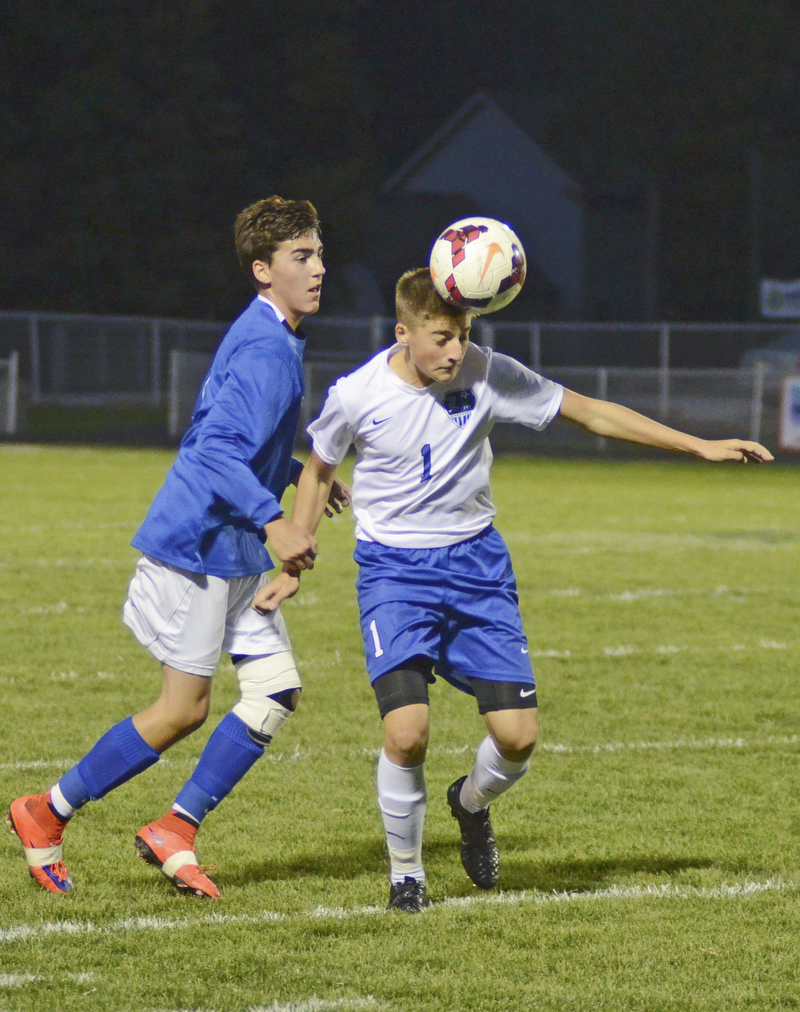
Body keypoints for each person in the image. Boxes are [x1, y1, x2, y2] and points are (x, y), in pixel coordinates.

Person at [254, 267, 773, 913]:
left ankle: (469, 804)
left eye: (463, 334)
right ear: (403, 332)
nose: (454, 350)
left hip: (477, 570)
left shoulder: (487, 371)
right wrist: (292, 561)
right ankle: (407, 875)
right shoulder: (356, 394)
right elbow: (319, 469)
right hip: (395, 573)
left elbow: (591, 412)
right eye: (441, 337)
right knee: (407, 733)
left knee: (518, 738)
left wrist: (696, 445)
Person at [7, 195, 349, 898]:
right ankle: (44, 812)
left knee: (274, 689)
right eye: (301, 257)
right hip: (196, 547)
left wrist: (286, 473)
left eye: (318, 254)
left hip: (232, 549)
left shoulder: (273, 335)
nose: (318, 268)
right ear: (263, 269)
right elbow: (212, 450)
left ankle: (176, 828)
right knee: (181, 711)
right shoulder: (264, 345)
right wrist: (276, 516)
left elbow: (215, 433)